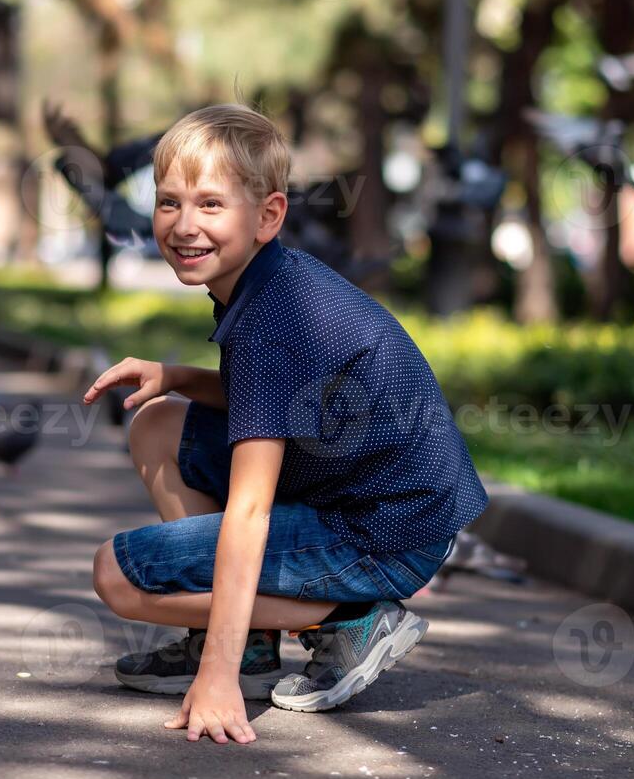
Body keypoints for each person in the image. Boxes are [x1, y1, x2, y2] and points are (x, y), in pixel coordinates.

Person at [83, 104, 488, 745]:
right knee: (158, 425)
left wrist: (212, 679)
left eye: (211, 205)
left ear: (268, 216)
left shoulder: (276, 316)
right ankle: (254, 647)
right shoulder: (271, 283)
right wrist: (179, 376)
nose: (185, 226)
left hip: (382, 531)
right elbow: (274, 403)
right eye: (168, 203)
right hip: (369, 496)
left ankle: (344, 620)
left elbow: (250, 511)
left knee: (118, 575)